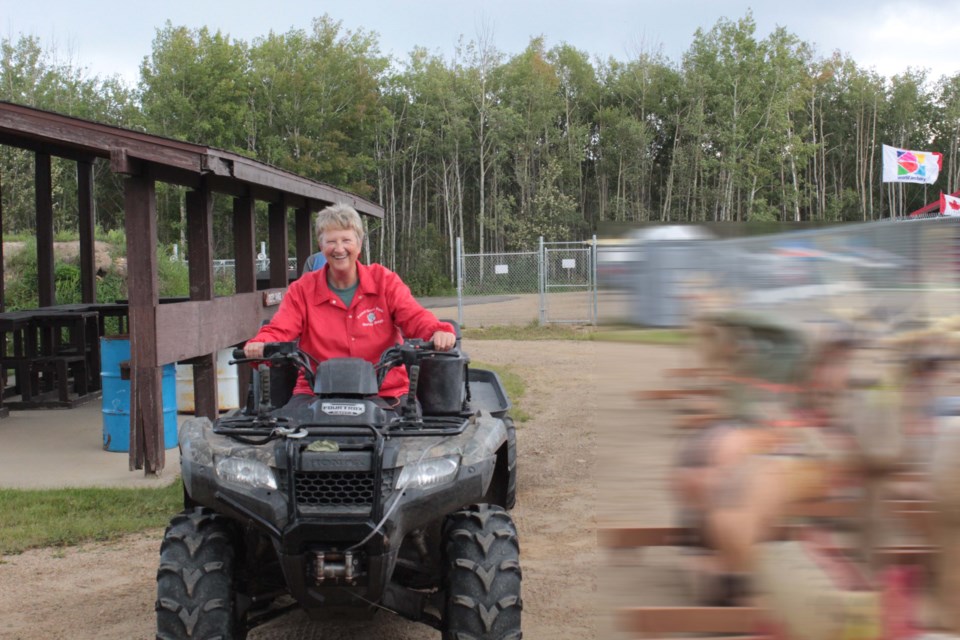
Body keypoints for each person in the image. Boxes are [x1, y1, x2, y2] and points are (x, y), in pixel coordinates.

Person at [243, 203, 457, 405]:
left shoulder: (384, 281)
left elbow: (414, 317)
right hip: (316, 391)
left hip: (384, 391)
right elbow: (281, 329)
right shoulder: (303, 289)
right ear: (321, 245)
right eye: (331, 241)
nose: (339, 249)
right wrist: (262, 343)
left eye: (346, 240)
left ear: (359, 244)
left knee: (409, 436)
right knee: (285, 435)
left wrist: (437, 331)